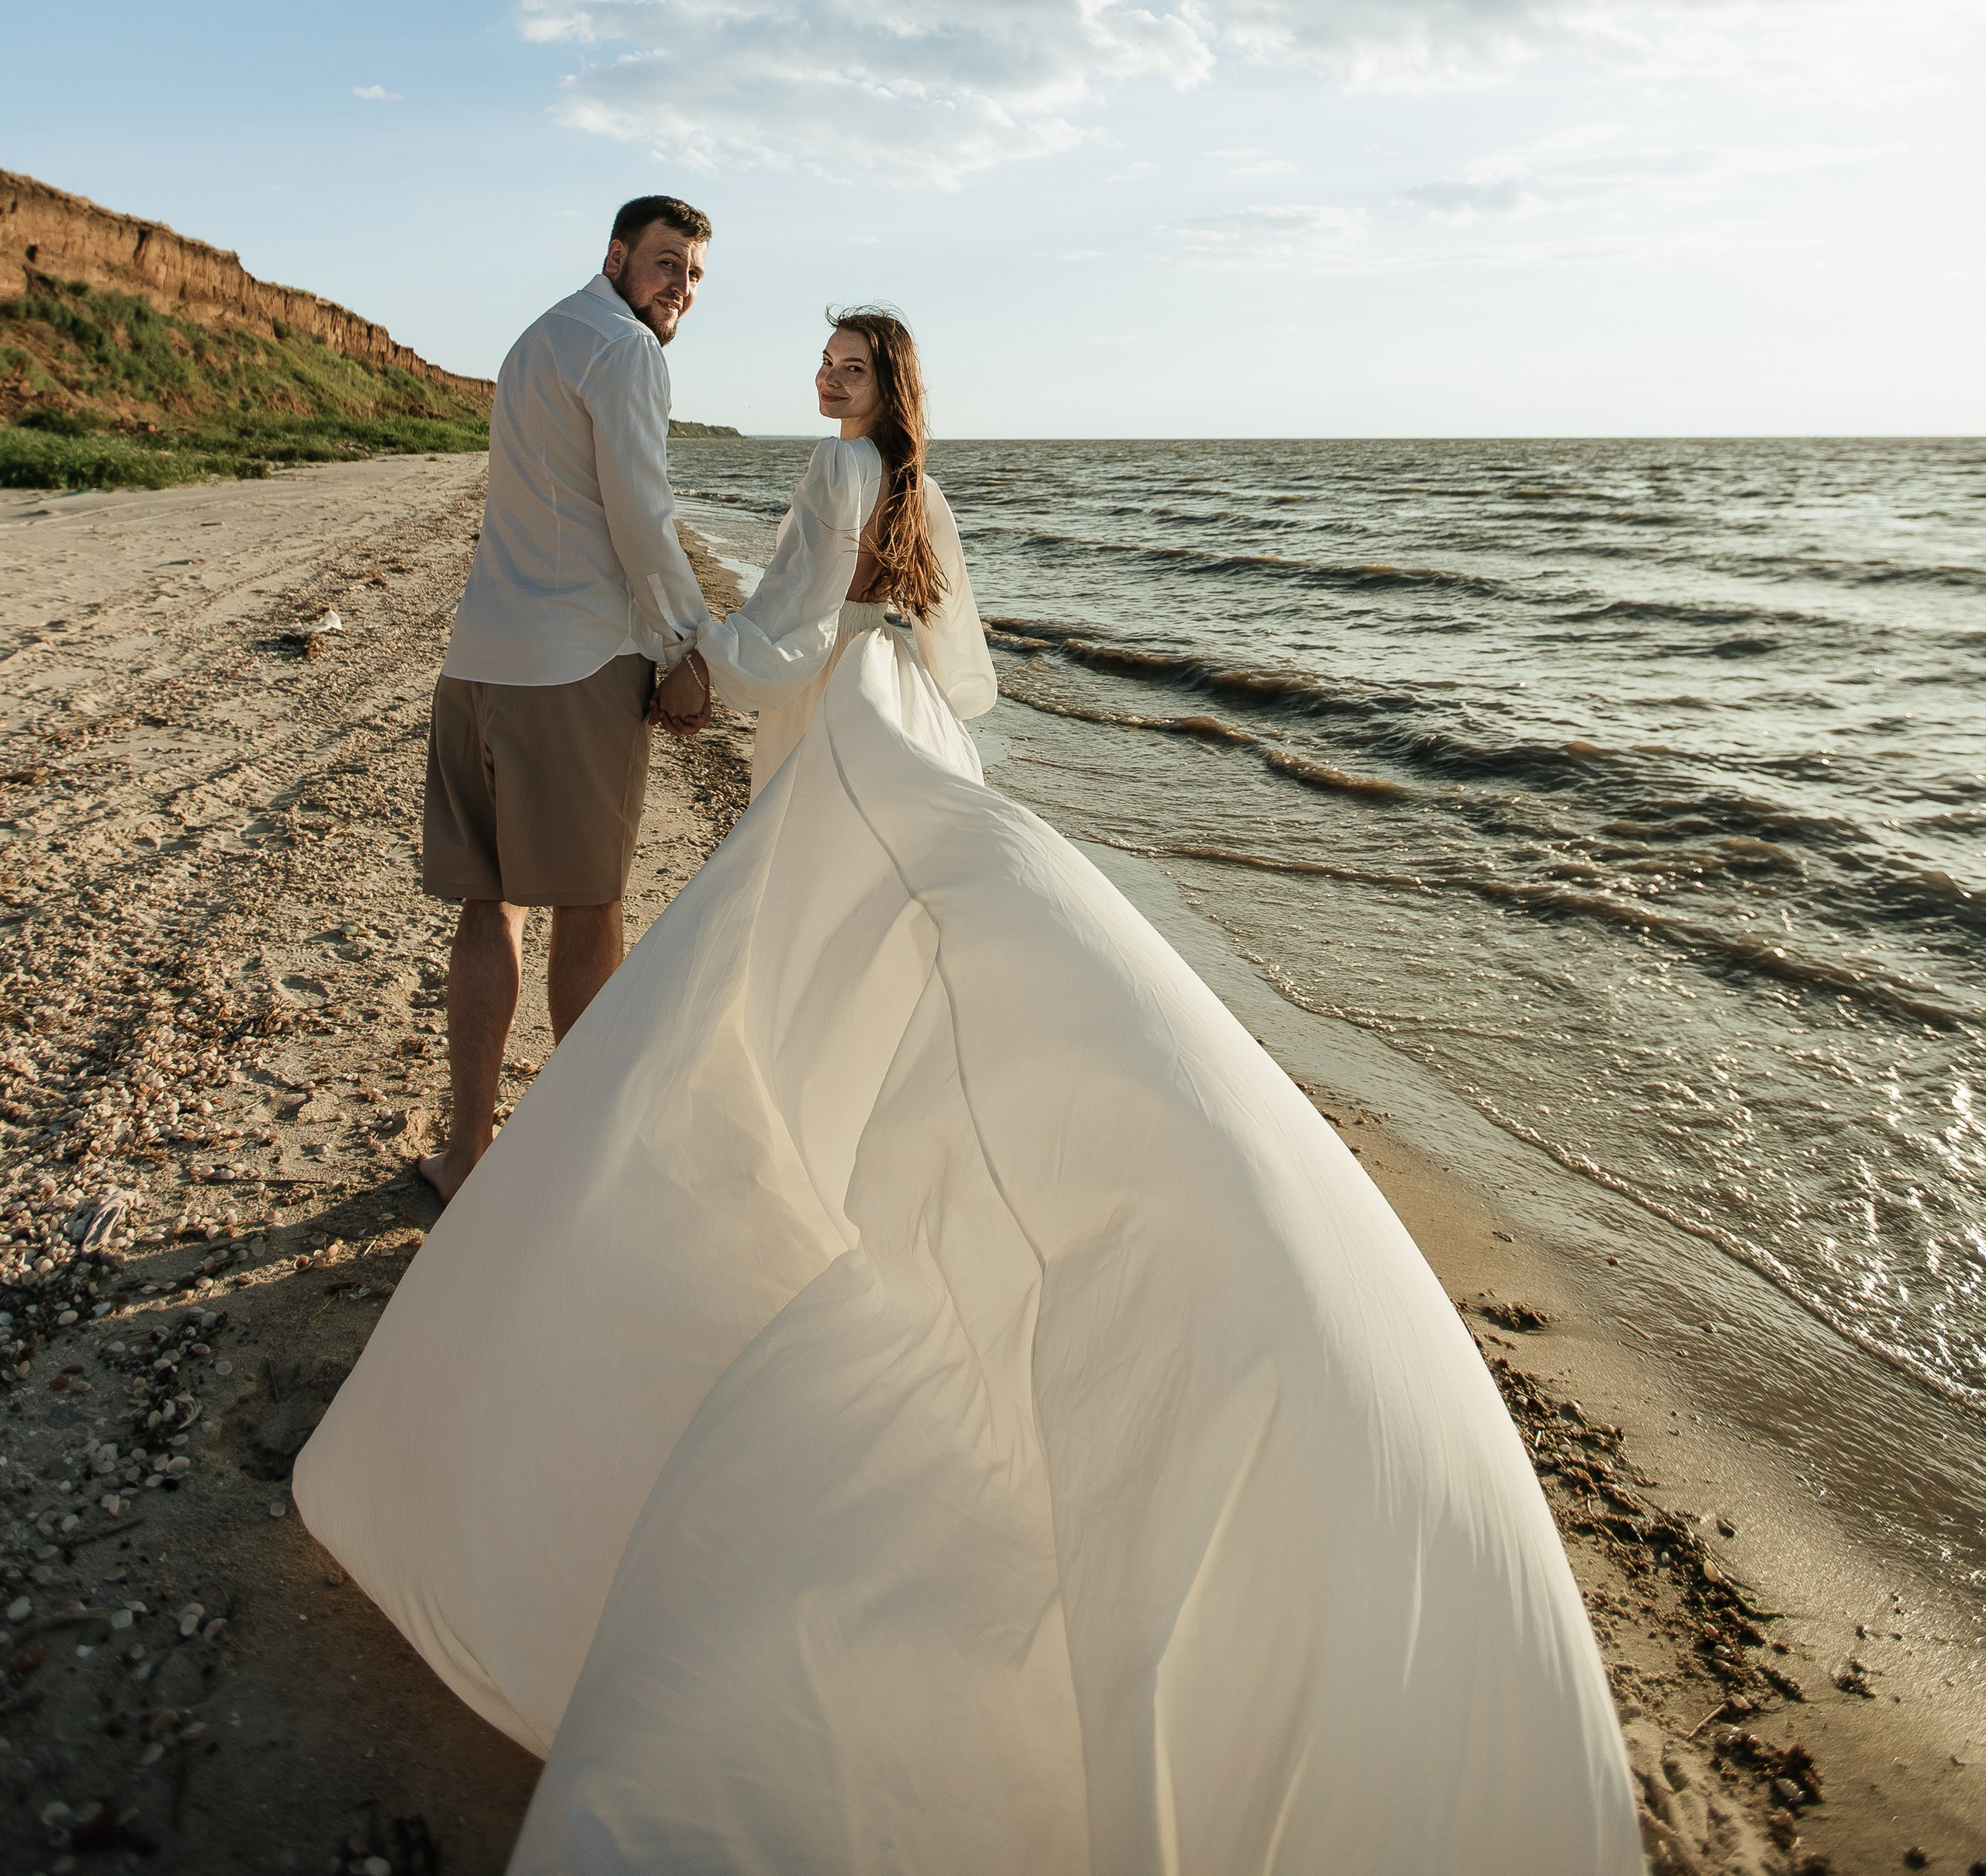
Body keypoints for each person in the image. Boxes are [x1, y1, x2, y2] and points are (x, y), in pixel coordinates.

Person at [299, 309, 1640, 1874]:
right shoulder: (918, 486)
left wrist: (699, 689)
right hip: (912, 722)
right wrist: (807, 671)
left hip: (847, 734)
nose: (829, 384)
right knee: (856, 966)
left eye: (851, 369)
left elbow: (793, 623)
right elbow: (959, 667)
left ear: (885, 389)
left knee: (773, 965)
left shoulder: (836, 469)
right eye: (826, 368)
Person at [413, 193, 717, 1205]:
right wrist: (683, 644)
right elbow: (641, 513)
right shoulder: (628, 352)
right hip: (574, 665)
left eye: (694, 274)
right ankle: (577, 1172)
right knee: (589, 909)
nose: (679, 286)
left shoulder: (536, 337)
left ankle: (467, 1155)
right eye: (667, 262)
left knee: (485, 901)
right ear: (619, 254)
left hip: (478, 660)